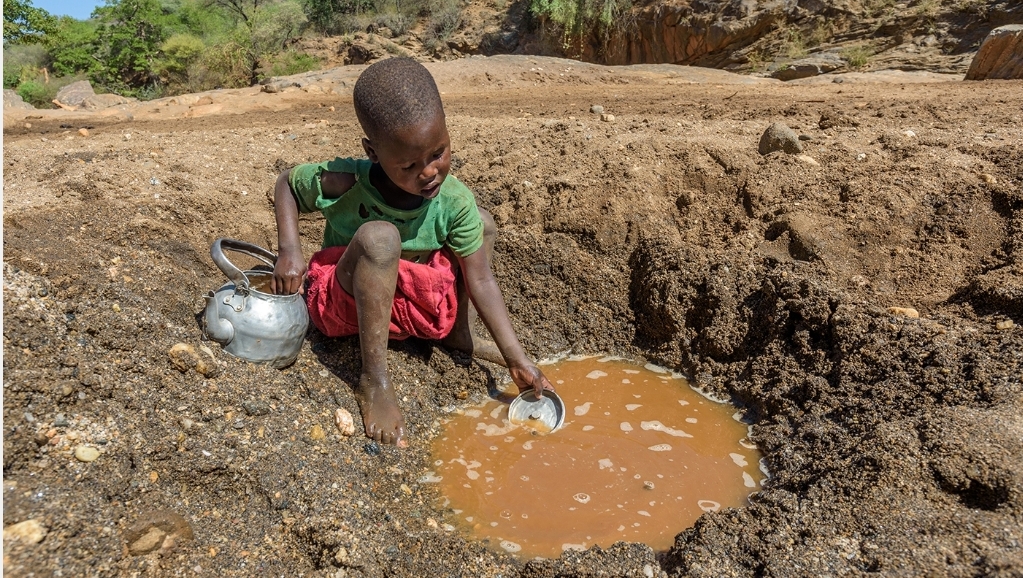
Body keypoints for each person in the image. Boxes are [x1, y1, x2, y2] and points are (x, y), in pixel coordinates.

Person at [270, 57, 554, 447]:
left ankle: (458, 334)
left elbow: (482, 278)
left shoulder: (451, 199)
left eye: (438, 153)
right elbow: (287, 184)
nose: (428, 173)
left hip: (414, 302)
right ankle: (374, 379)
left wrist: (516, 359)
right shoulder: (346, 181)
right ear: (373, 152)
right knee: (381, 238)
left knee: (481, 222)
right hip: (347, 299)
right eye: (408, 165)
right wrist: (290, 250)